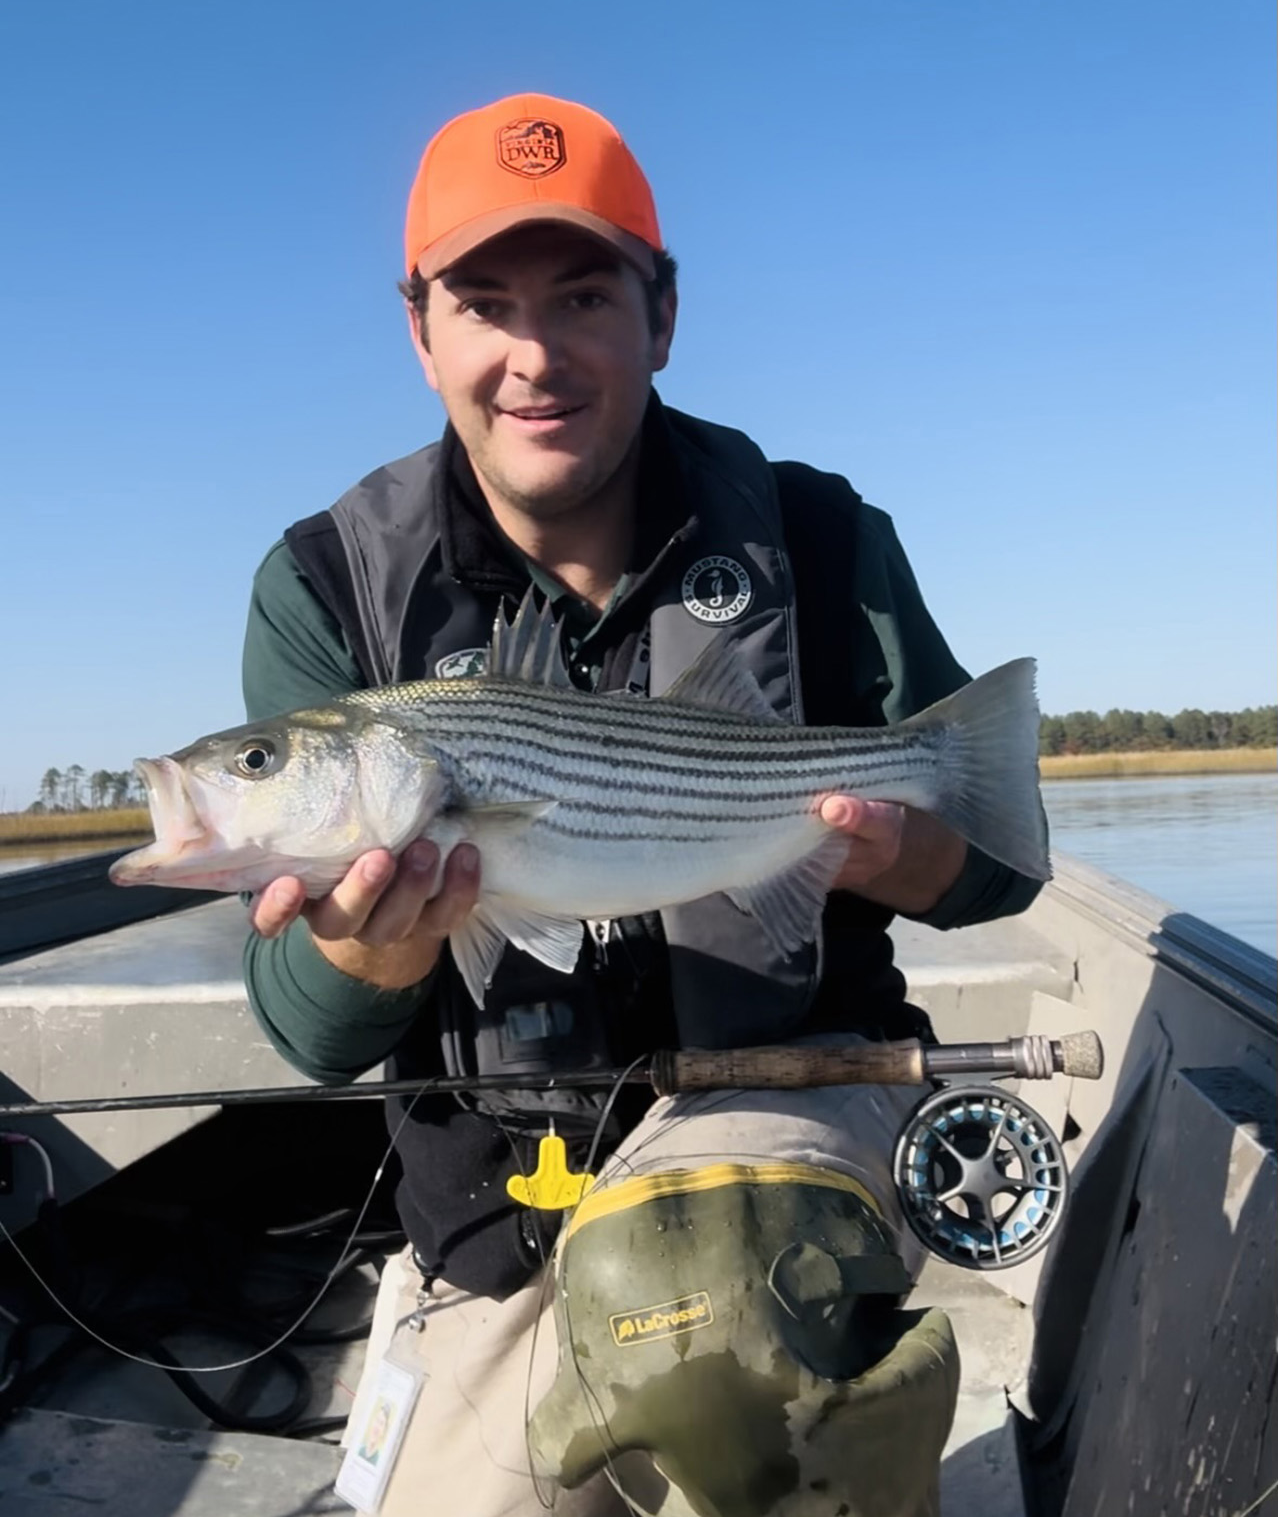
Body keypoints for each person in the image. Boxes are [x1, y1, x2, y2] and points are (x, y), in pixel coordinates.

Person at [241, 93, 1044, 1516]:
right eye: (482, 303)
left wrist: (882, 850)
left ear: (661, 315)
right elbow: (310, 1028)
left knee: (722, 1341)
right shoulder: (321, 588)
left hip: (785, 1118)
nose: (533, 355)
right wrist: (384, 939)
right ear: (418, 328)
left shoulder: (817, 536)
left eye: (584, 295)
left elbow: (994, 874)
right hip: (495, 1194)